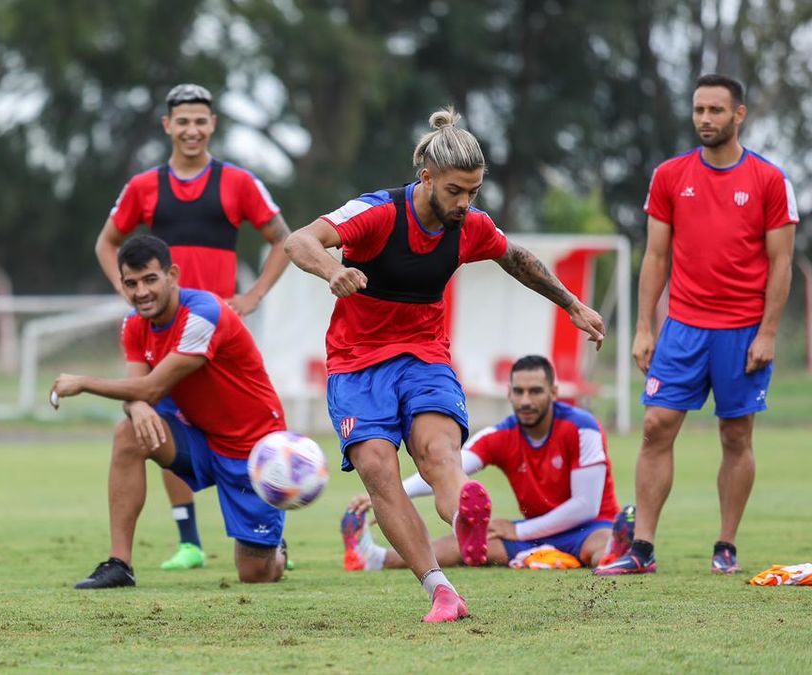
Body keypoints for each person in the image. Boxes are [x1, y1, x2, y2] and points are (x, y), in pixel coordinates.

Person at [284, 107, 605, 622]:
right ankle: (440, 587)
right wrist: (331, 269)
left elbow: (516, 258)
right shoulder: (377, 214)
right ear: (427, 176)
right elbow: (298, 240)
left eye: (474, 192)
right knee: (377, 470)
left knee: (440, 455)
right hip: (357, 364)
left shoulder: (470, 227)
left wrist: (572, 304)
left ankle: (465, 517)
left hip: (424, 357)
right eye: (456, 190)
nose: (465, 203)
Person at [595, 74, 798, 577]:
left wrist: (769, 333)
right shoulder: (670, 175)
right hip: (683, 328)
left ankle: (725, 545)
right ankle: (642, 547)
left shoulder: (770, 181)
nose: (705, 119)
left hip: (744, 329)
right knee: (654, 427)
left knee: (736, 435)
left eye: (716, 110)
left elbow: (782, 265)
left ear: (739, 115)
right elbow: (656, 256)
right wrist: (644, 327)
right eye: (699, 110)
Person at [93, 83, 292, 572]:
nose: (192, 130)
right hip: (162, 340)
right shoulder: (143, 186)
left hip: (218, 340)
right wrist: (132, 294)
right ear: (167, 126)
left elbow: (283, 239)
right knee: (145, 424)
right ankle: (189, 541)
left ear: (213, 124)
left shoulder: (238, 182)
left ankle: (266, 536)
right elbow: (106, 243)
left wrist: (253, 296)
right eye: (182, 121)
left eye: (201, 120)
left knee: (230, 425)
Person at [52, 235, 289, 590]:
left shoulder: (204, 314)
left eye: (150, 279)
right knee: (128, 434)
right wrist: (136, 407)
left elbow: (149, 388)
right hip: (198, 437)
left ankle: (275, 550)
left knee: (255, 574)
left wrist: (84, 382)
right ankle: (120, 565)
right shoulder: (134, 325)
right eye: (130, 283)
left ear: (172, 275)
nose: (141, 292)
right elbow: (138, 391)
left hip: (251, 448)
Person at [341, 355, 635, 571]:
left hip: (587, 527)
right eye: (518, 392)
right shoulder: (502, 434)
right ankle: (373, 558)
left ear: (554, 394)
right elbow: (449, 469)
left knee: (601, 542)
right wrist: (391, 494)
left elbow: (586, 506)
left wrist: (517, 531)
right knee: (459, 545)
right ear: (508, 394)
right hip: (533, 530)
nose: (526, 400)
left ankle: (615, 552)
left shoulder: (583, 427)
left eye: (535, 391)